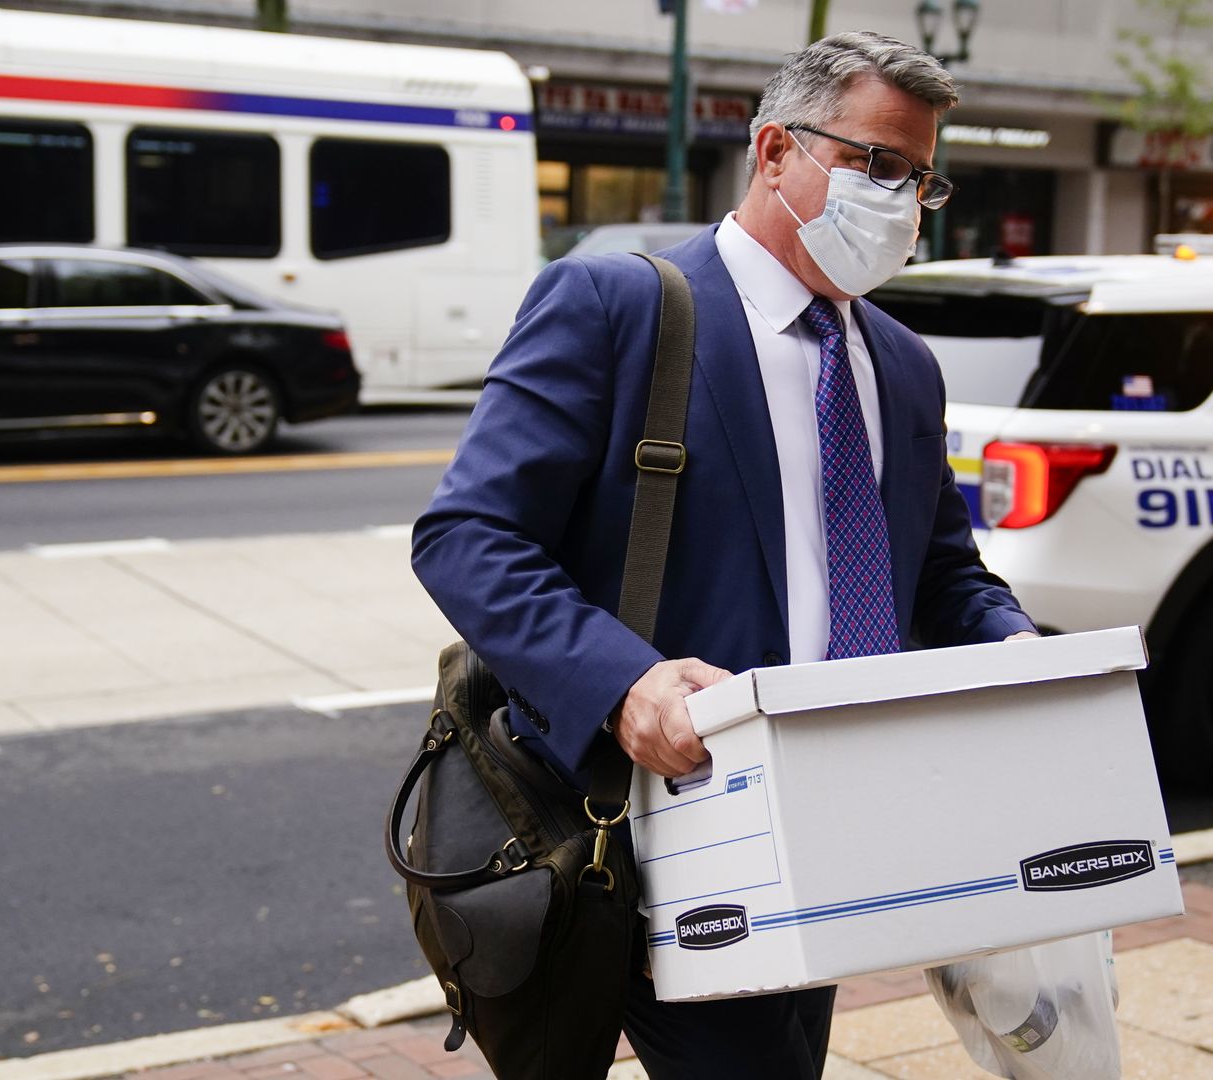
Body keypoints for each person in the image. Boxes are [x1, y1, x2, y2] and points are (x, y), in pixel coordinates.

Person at [412, 31, 1037, 1080]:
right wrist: (625, 684)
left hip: (837, 821)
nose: (899, 199)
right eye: (876, 163)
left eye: (920, 178)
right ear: (775, 150)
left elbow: (940, 573)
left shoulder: (901, 363)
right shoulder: (615, 306)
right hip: (660, 824)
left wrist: (1017, 647)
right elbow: (467, 537)